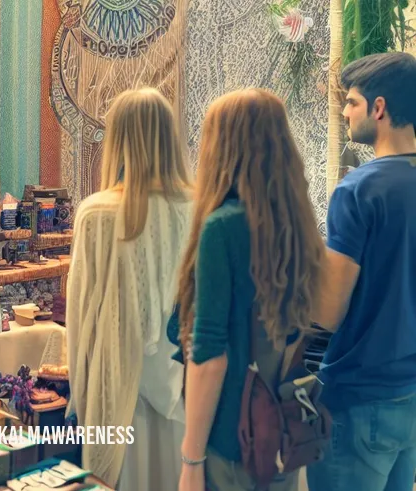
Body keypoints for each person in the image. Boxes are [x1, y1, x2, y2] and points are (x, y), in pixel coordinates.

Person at [175, 88, 325, 491]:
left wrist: (191, 460)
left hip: (231, 439)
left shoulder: (222, 227)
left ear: (222, 150)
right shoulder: (297, 225)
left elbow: (210, 357)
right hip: (282, 431)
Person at [66, 87, 193, 490]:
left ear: (117, 139)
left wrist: (79, 394)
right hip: (184, 384)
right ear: (170, 137)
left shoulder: (98, 213)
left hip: (118, 384)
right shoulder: (200, 208)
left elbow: (80, 315)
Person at [308, 52, 416, 491]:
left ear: (379, 108)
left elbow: (327, 311)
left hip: (358, 395)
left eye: (351, 102)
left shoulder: (359, 188)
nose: (345, 112)